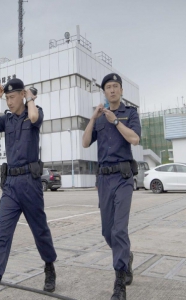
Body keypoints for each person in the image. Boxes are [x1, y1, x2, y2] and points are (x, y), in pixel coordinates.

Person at [0, 78, 57, 300]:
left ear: (21, 95)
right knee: (2, 233)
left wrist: (31, 98)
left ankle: (49, 265)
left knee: (40, 230)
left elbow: (35, 117)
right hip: (11, 186)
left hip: (30, 183)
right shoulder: (6, 121)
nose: (8, 101)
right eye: (6, 98)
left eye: (11, 97)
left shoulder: (33, 112)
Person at [82, 73, 141, 300]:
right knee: (107, 232)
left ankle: (119, 283)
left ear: (121, 91)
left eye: (116, 86)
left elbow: (134, 139)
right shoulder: (99, 118)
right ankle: (126, 256)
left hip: (124, 178)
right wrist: (92, 118)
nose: (112, 90)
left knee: (119, 229)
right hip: (104, 180)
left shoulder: (130, 114)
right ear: (104, 92)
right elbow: (85, 142)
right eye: (108, 87)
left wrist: (115, 122)